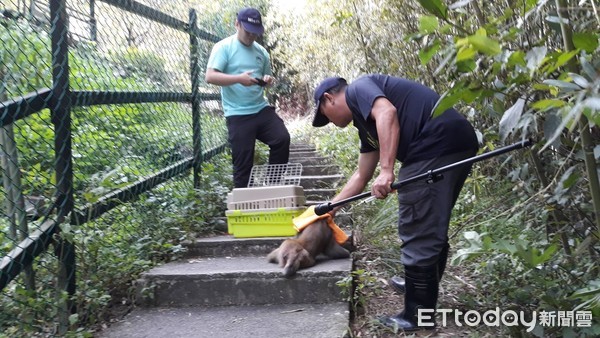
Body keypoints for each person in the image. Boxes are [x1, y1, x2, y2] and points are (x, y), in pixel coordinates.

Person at [312, 74, 479, 331]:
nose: (330, 123)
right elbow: (360, 176)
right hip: (455, 140)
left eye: (325, 115)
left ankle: (417, 316)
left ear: (329, 98)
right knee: (429, 221)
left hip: (435, 142)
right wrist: (330, 209)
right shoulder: (365, 126)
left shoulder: (358, 89)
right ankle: (419, 287)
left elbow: (387, 113)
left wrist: (387, 170)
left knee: (417, 224)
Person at [206, 7, 290, 188]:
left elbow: (268, 80)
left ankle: (274, 186)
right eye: (248, 31)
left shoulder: (262, 52)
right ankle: (243, 209)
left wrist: (268, 81)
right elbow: (210, 76)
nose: (252, 36)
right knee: (243, 165)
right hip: (237, 113)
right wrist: (238, 79)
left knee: (282, 138)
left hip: (260, 109)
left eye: (255, 33)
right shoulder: (223, 47)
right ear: (237, 24)